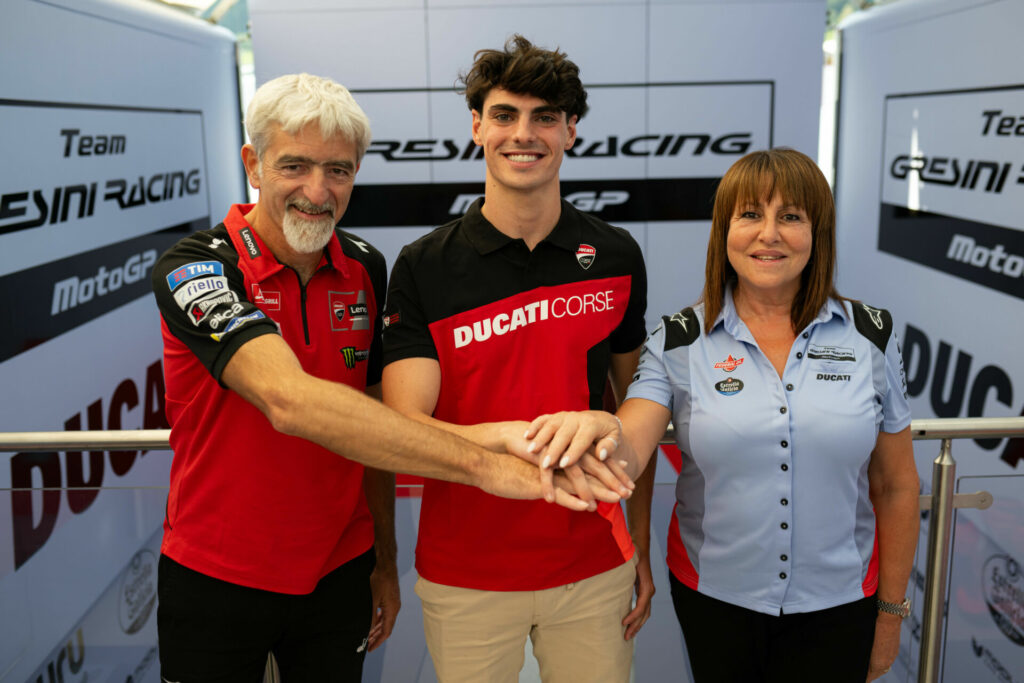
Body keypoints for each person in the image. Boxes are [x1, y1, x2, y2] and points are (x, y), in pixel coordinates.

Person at [150, 72, 616, 682]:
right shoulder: (196, 267)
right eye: (295, 166)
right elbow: (289, 401)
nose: (318, 192)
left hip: (339, 569)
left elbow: (378, 428)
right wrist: (488, 460)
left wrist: (385, 560)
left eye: (339, 170)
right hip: (215, 573)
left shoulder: (366, 266)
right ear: (253, 164)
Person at [525, 148, 921, 682]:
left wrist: (893, 613)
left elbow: (896, 485)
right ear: (724, 230)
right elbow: (634, 437)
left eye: (791, 217)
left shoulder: (873, 334)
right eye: (751, 215)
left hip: (842, 601)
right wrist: (605, 430)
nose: (769, 234)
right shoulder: (678, 340)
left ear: (817, 232)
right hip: (716, 600)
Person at [380, 35, 653, 682]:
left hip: (593, 561)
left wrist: (637, 543)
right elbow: (402, 428)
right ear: (477, 126)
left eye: (545, 116)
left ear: (571, 132)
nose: (523, 133)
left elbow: (641, 409)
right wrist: (503, 445)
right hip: (466, 571)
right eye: (504, 114)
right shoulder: (423, 266)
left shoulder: (615, 255)